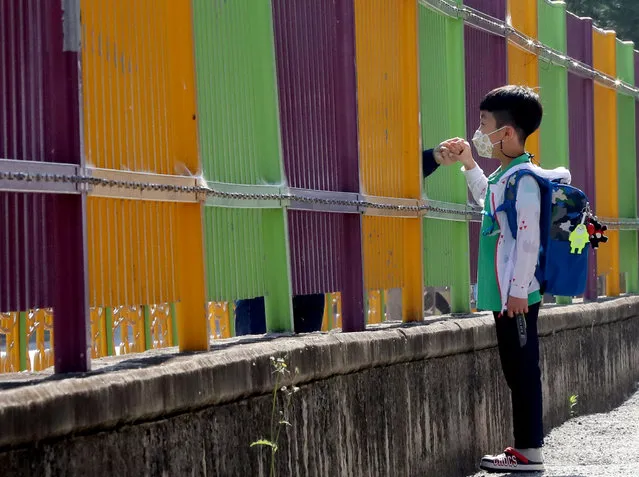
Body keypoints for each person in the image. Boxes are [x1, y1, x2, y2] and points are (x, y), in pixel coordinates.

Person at [439, 85, 570, 473]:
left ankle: (529, 452)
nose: (478, 132)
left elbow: (528, 241)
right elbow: (488, 204)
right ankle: (524, 450)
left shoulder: (525, 179)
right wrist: (467, 163)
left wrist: (517, 293)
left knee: (524, 369)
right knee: (515, 368)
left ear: (507, 133)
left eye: (484, 124)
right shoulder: (506, 176)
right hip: (506, 294)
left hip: (517, 296)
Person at [234, 145, 452, 336]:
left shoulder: (326, 154)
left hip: (309, 277)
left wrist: (431, 157)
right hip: (264, 279)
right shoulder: (252, 150)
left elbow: (383, 174)